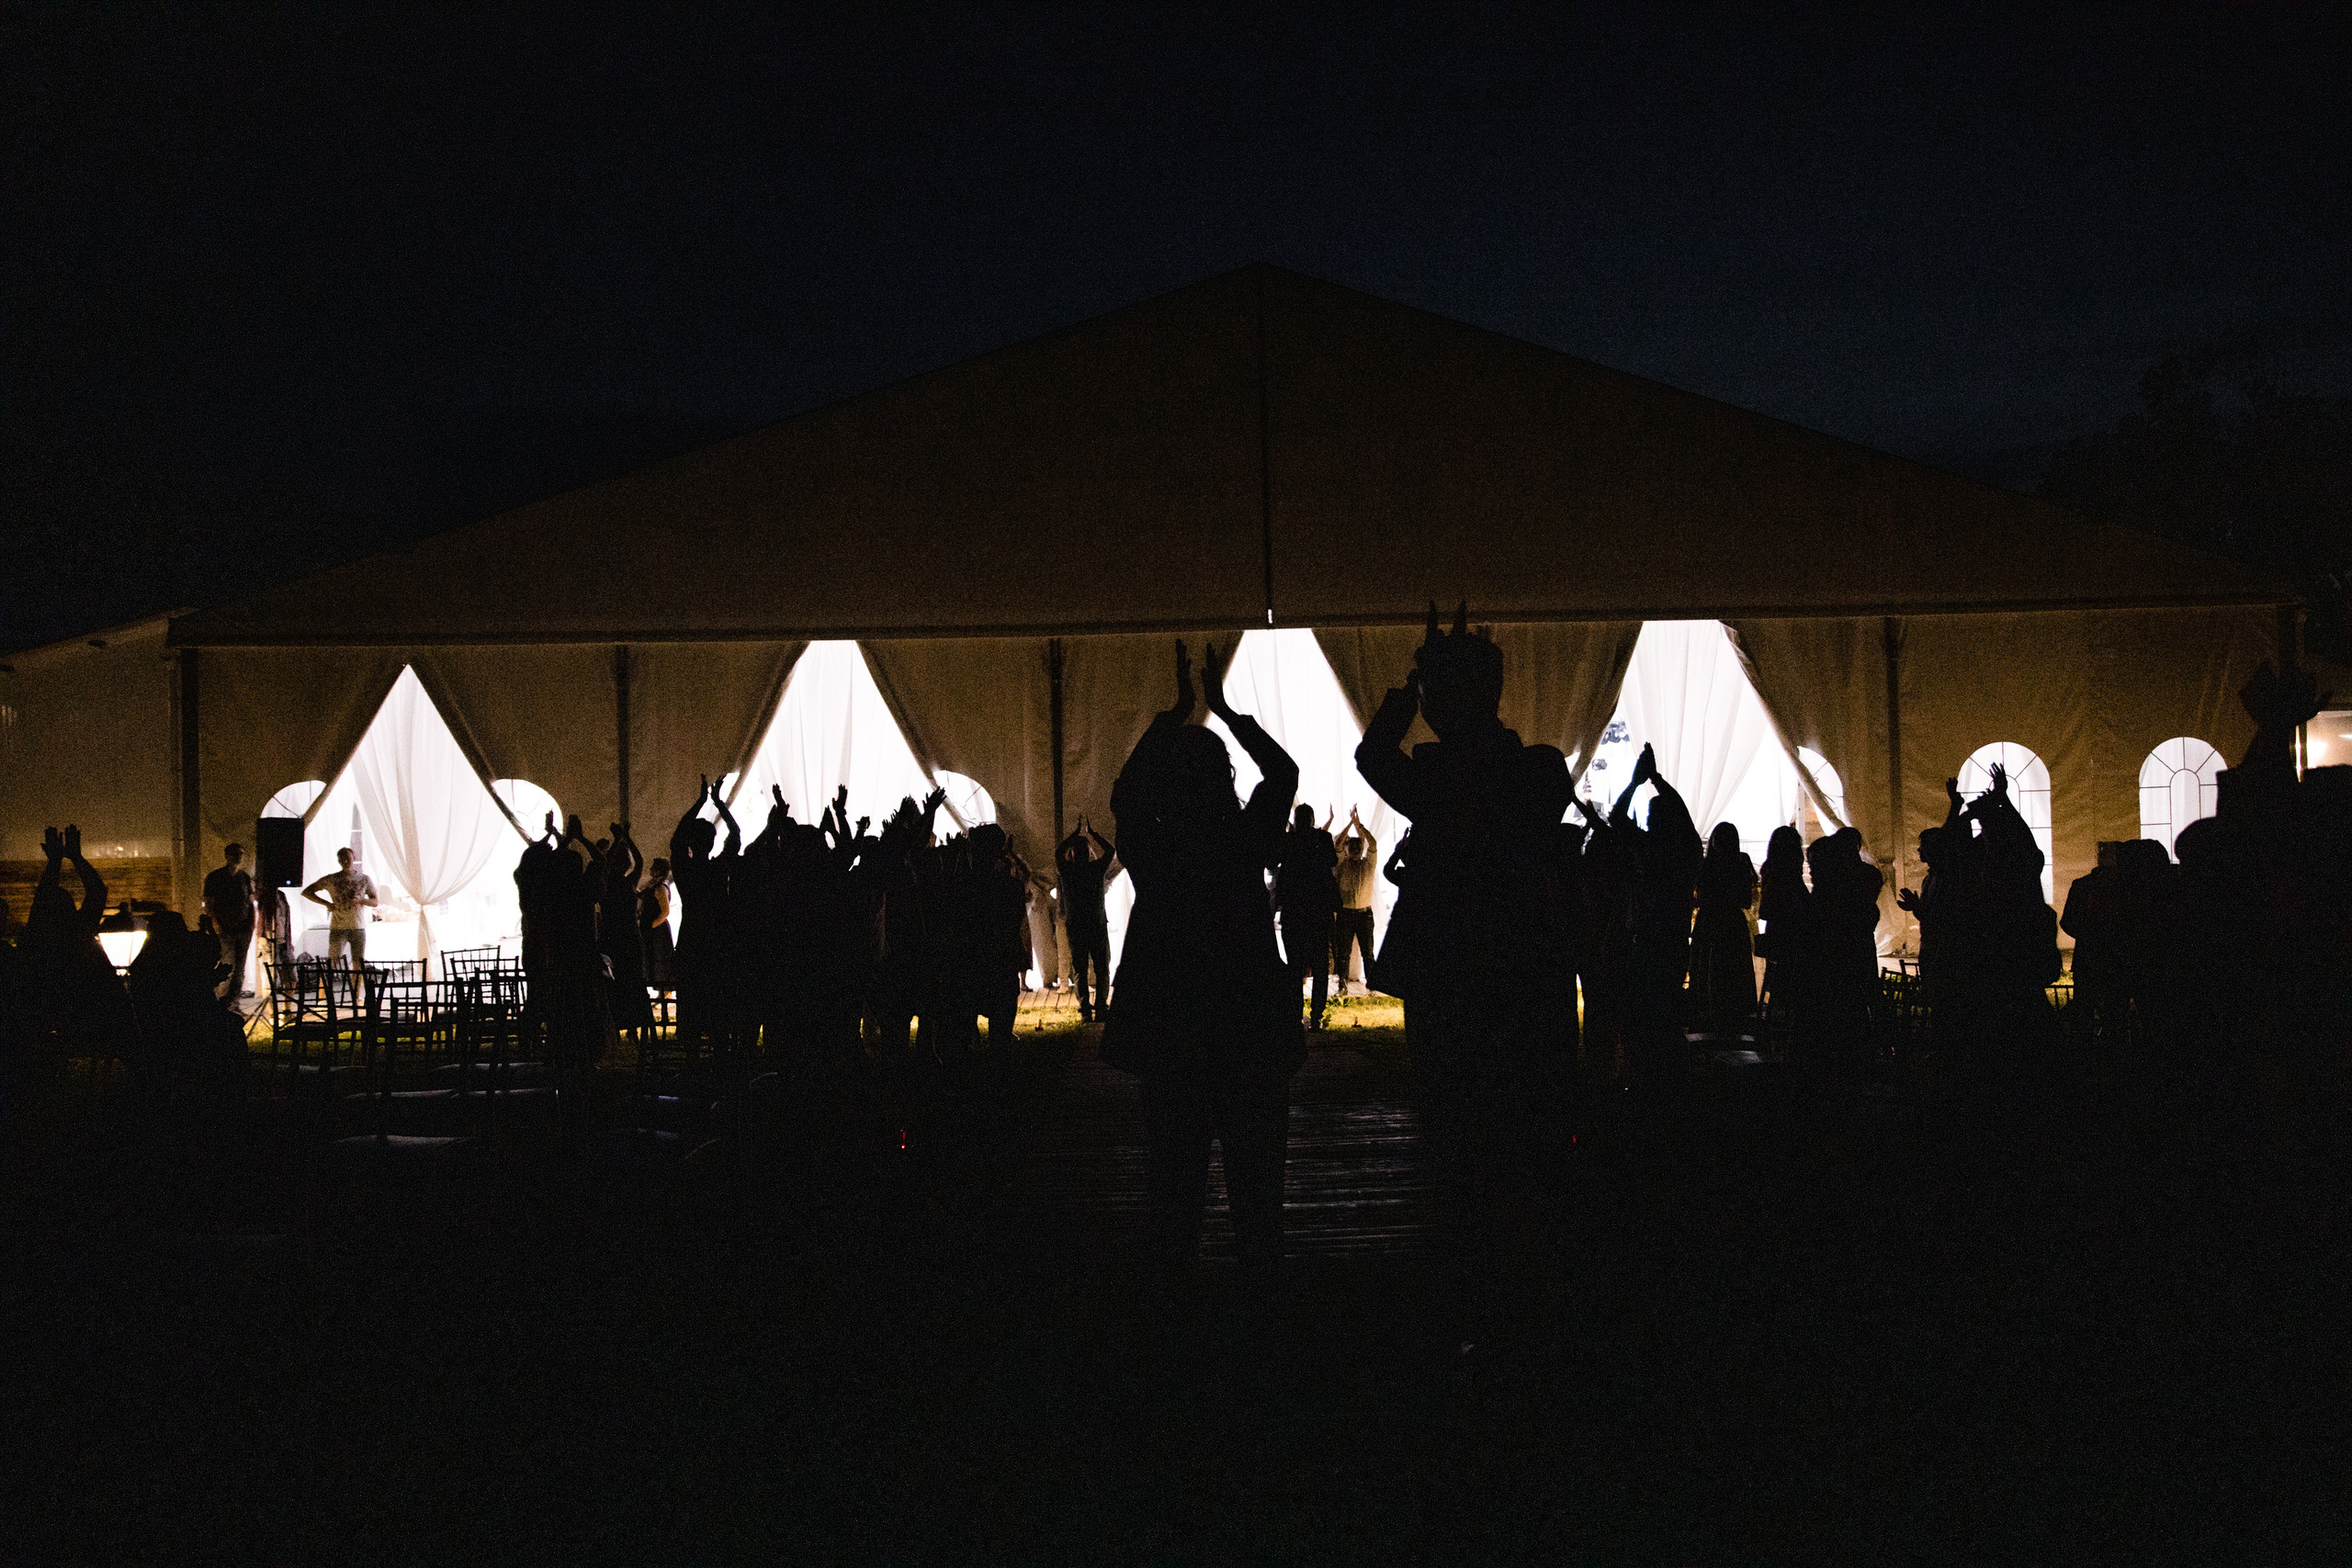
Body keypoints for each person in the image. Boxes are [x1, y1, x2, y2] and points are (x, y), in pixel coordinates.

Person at [1356, 603, 1573, 1269]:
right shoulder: (1540, 769)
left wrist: (1411, 684)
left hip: (1448, 976)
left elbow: (1371, 755)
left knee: (1452, 1131)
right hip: (1524, 978)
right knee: (1519, 1144)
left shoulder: (1439, 777)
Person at [1102, 638, 1304, 1283]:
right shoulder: (1244, 841)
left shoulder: (1159, 850)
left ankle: (1171, 1319)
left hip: (1172, 1033)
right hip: (1250, 1032)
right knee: (1258, 1195)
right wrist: (1224, 710)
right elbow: (1284, 775)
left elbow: (1125, 794)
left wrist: (1174, 715)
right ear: (1226, 782)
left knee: (1174, 1187)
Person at [1611, 743, 1702, 1085]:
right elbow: (1685, 819)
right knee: (1665, 1017)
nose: (1648, 823)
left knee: (1640, 1018)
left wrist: (1636, 782)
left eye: (1651, 818)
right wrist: (1657, 779)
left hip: (1646, 943)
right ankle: (1669, 1084)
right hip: (1674, 942)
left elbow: (1617, 818)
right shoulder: (1685, 853)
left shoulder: (1649, 850)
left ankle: (1642, 1081)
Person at [1274, 804, 1340, 1030]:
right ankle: (1317, 1016)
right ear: (1312, 819)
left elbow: (1275, 864)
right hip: (1318, 911)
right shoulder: (1322, 838)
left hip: (1294, 910)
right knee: (1320, 966)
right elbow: (1333, 862)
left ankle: (1296, 1015)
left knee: (1295, 967)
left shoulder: (1289, 840)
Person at [1689, 821, 1758, 1033]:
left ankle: (1707, 1021)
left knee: (1707, 974)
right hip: (1731, 925)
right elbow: (1747, 900)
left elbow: (1699, 897)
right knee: (1733, 976)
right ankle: (1735, 1024)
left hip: (1710, 923)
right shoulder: (1741, 864)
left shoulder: (1706, 865)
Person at [1755, 825, 1814, 1046]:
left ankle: (1778, 1026)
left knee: (1780, 980)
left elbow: (1765, 910)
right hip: (1792, 932)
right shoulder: (1790, 876)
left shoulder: (1772, 870)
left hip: (1779, 930)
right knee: (1792, 979)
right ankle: (1788, 1028)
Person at [1057, 817, 1118, 1022]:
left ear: (1072, 854)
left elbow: (1058, 853)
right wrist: (1093, 834)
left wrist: (1074, 835)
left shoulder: (1068, 871)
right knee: (1102, 969)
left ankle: (1085, 1011)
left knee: (1080, 970)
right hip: (1097, 925)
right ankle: (1101, 1008)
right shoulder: (1095, 870)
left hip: (1077, 928)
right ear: (1088, 853)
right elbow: (1110, 851)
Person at [301, 847, 379, 971]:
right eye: (342, 860)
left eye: (348, 859)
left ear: (354, 858)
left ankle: (356, 991)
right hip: (338, 926)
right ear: (339, 861)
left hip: (357, 926)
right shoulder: (332, 879)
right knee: (332, 963)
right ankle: (326, 989)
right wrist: (327, 904)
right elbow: (307, 892)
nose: (346, 862)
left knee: (358, 964)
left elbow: (375, 902)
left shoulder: (364, 879)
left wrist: (361, 900)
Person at [201, 843, 256, 1008]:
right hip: (225, 928)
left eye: (241, 854)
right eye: (235, 854)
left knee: (239, 970)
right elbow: (210, 903)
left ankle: (233, 1004)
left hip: (243, 928)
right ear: (227, 856)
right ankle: (223, 1004)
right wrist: (216, 923)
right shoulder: (215, 877)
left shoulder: (244, 877)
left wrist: (252, 924)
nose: (239, 857)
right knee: (228, 967)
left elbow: (250, 902)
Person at [1331, 807, 1378, 993]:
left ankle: (1373, 985)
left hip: (1365, 914)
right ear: (1348, 848)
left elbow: (1373, 843)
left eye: (1360, 847)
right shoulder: (1341, 865)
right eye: (1354, 847)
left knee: (1368, 954)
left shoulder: (1369, 864)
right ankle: (1342, 986)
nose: (1357, 850)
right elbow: (1337, 843)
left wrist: (1360, 825)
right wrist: (1351, 823)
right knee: (1343, 954)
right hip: (1346, 914)